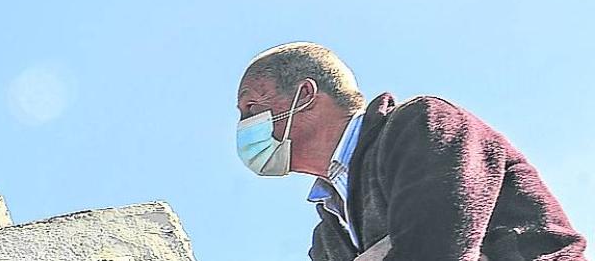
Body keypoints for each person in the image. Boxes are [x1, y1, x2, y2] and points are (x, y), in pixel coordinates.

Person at [236, 42, 587, 261]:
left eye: (251, 106)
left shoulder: (423, 124)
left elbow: (434, 251)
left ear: (306, 94)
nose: (245, 123)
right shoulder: (328, 234)